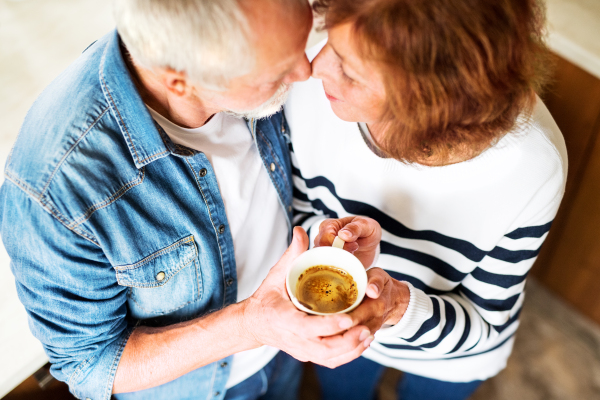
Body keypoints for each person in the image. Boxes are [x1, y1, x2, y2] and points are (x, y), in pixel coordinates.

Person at [0, 1, 376, 399]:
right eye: (278, 64)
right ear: (180, 80)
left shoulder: (245, 73)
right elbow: (88, 367)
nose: (307, 70)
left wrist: (321, 241)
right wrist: (251, 325)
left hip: (283, 357)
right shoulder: (57, 184)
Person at [285, 0, 567, 399]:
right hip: (344, 333)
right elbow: (293, 209)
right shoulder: (312, 81)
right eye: (330, 39)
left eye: (350, 68)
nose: (314, 68)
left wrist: (398, 306)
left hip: (452, 359)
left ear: (435, 96)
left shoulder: (533, 165)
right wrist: (324, 245)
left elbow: (485, 321)